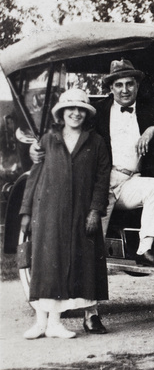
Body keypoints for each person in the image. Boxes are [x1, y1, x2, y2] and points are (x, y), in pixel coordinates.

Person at [20, 88, 111, 339]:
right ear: (61, 112)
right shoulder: (48, 140)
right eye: (70, 108)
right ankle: (41, 323)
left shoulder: (96, 142)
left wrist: (95, 210)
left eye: (81, 108)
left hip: (80, 213)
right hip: (48, 211)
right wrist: (26, 211)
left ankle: (55, 323)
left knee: (68, 265)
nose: (75, 113)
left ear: (87, 113)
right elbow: (34, 176)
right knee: (45, 265)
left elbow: (102, 179)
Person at [94, 58, 154, 268]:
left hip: (130, 182)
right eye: (119, 85)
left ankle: (144, 250)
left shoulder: (147, 109)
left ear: (137, 85)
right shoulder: (98, 111)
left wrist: (152, 129)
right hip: (104, 182)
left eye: (130, 84)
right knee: (93, 249)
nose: (125, 90)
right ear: (111, 88)